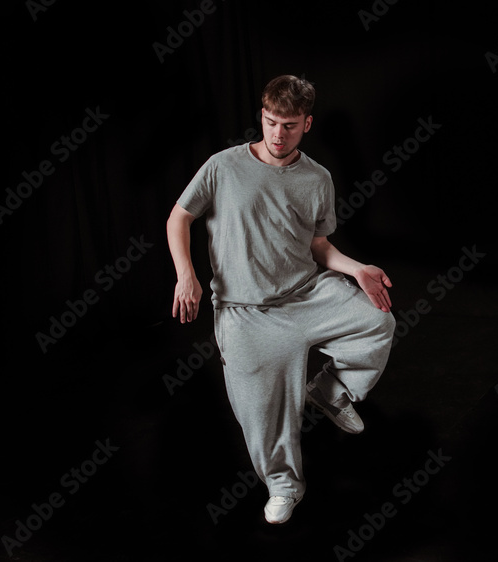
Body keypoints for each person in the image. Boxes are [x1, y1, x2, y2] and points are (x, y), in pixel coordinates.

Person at [166, 75, 396, 524]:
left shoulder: (317, 178)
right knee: (262, 416)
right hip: (245, 311)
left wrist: (356, 269)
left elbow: (318, 245)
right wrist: (185, 275)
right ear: (262, 116)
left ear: (306, 124)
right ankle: (284, 485)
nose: (277, 134)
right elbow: (179, 217)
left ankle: (329, 392)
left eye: (289, 125)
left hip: (305, 294)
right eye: (270, 122)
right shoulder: (223, 166)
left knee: (377, 321)